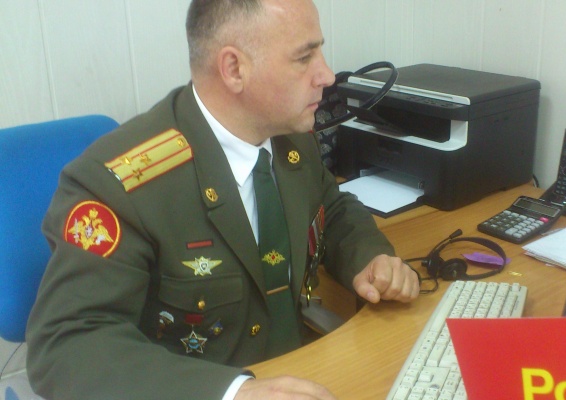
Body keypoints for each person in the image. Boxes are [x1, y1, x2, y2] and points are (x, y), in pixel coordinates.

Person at [25, 0, 421, 398]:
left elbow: (330, 209)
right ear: (234, 69)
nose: (327, 75)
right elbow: (65, 344)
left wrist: (369, 258)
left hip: (301, 372)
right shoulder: (118, 186)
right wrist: (234, 393)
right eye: (304, 57)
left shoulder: (290, 134)